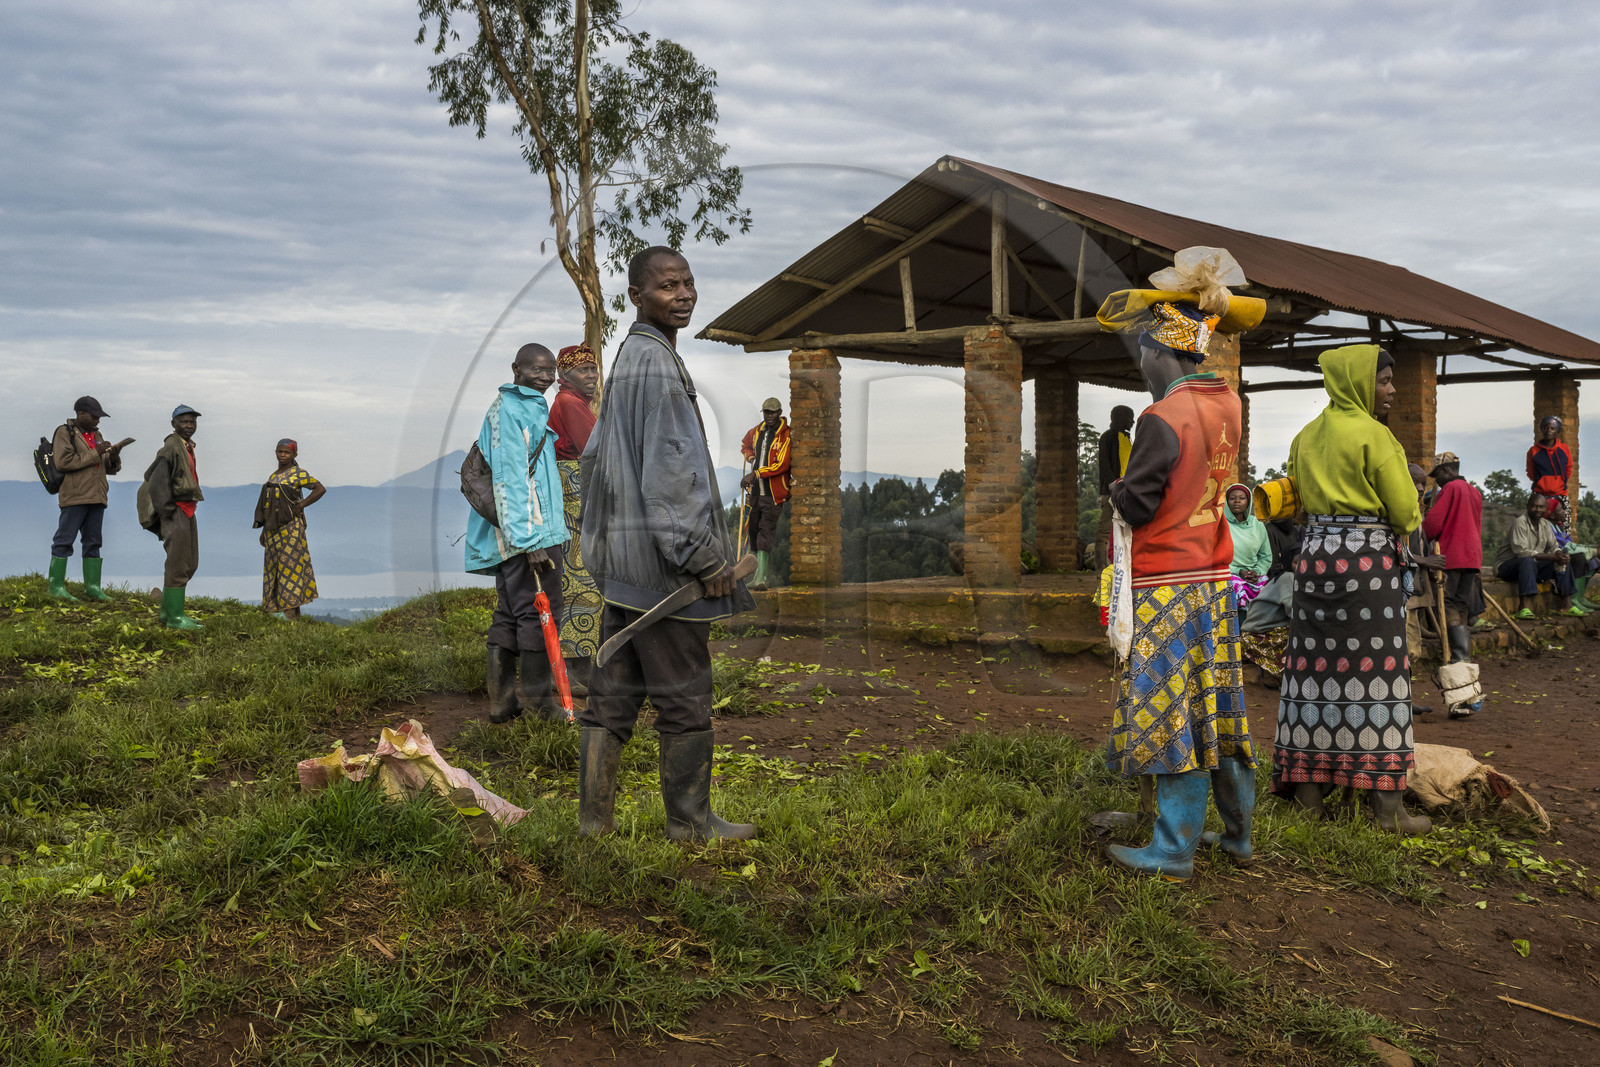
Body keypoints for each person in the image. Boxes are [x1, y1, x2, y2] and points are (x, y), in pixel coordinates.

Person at [578, 246, 755, 842]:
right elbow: (672, 479)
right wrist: (706, 560)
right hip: (662, 577)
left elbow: (596, 458)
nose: (682, 294)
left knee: (612, 694)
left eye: (688, 283)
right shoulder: (656, 365)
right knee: (685, 694)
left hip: (626, 569)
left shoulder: (630, 357)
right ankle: (691, 822)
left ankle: (592, 825)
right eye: (666, 286)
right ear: (636, 296)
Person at [1104, 318, 1253, 880]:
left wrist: (1116, 489)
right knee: (1218, 704)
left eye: (1141, 355)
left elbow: (1138, 504)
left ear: (1158, 352)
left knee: (1169, 711)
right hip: (1215, 580)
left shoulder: (1162, 417)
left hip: (1167, 584)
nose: (1140, 368)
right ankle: (1237, 835)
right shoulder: (1227, 404)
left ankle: (1173, 849)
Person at [1273, 345, 1430, 834]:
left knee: (1311, 674)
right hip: (1367, 567)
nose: (1391, 389)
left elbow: (1294, 502)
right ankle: (1388, 812)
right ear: (1360, 382)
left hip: (1315, 560)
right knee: (1376, 673)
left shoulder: (1306, 436)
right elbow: (1405, 514)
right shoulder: (1375, 436)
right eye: (1384, 380)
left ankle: (1308, 800)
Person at [465, 344, 570, 724]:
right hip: (528, 536)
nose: (545, 376)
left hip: (519, 532)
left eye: (550, 370)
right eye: (537, 369)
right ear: (516, 369)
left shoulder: (525, 408)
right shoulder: (510, 410)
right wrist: (530, 543)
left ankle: (503, 703)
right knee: (539, 612)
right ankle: (541, 707)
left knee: (511, 612)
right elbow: (511, 480)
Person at [549, 343, 603, 694]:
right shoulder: (570, 404)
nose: (592, 375)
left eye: (594, 369)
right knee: (583, 585)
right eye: (583, 370)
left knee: (576, 582)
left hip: (572, 496)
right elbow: (595, 451)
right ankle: (575, 672)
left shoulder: (572, 404)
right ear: (564, 376)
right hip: (575, 497)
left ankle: (575, 669)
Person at [47, 396, 131, 602]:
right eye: (94, 416)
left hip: (97, 496)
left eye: (99, 417)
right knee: (64, 540)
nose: (98, 421)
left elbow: (107, 468)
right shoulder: (64, 433)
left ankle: (93, 588)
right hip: (75, 496)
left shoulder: (97, 435)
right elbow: (63, 462)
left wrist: (113, 455)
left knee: (93, 542)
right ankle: (55, 586)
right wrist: (96, 453)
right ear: (80, 414)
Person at [1421, 452, 1485, 713]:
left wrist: (1422, 529)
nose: (1437, 482)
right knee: (1461, 609)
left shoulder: (1451, 489)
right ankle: (1464, 660)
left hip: (1452, 558)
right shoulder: (1474, 491)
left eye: (1438, 476)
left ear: (1447, 470)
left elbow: (1433, 525)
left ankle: (1458, 659)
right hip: (1472, 558)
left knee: (1448, 610)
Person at [141, 405, 205, 630]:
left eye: (192, 422)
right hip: (177, 510)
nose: (189, 425)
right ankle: (175, 618)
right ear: (173, 424)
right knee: (178, 563)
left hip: (188, 510)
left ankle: (168, 612)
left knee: (189, 562)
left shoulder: (186, 447)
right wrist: (168, 511)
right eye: (184, 421)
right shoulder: (170, 448)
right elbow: (156, 481)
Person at [253, 439, 326, 620]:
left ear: (294, 455)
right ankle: (294, 616)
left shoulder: (298, 474)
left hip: (291, 529)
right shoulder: (273, 476)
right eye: (280, 452)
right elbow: (269, 505)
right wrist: (264, 531)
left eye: (287, 452)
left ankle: (290, 617)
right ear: (276, 452)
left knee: (289, 569)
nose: (283, 455)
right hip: (272, 531)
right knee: (275, 569)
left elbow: (319, 489)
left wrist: (301, 505)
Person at [1494, 492, 1584, 618]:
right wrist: (1553, 557)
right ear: (1528, 506)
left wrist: (1559, 554)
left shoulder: (1545, 524)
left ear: (1545, 509)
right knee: (1527, 559)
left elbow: (1553, 547)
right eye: (1534, 506)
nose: (1538, 510)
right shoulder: (1520, 522)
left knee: (1562, 560)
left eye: (1541, 507)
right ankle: (1523, 607)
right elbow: (1522, 552)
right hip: (1506, 566)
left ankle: (1566, 604)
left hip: (1531, 567)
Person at [739, 398, 791, 591]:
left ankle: (762, 578)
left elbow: (782, 465)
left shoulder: (785, 435)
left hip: (773, 494)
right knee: (753, 531)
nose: (769, 416)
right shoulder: (757, 431)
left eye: (773, 412)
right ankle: (754, 577)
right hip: (756, 493)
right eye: (766, 413)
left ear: (779, 413)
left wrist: (755, 473)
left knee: (765, 533)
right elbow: (745, 444)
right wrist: (751, 458)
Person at [1095, 405, 1135, 569]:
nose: (1132, 421)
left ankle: (1123, 566)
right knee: (1105, 531)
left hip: (1127, 493)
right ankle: (1101, 569)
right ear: (1120, 418)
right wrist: (1114, 485)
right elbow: (1104, 464)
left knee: (1127, 530)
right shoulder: (1107, 437)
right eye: (1129, 417)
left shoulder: (1127, 438)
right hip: (1111, 493)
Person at [1225, 482, 1272, 611]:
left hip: (1253, 574)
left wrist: (1256, 572)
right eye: (1232, 498)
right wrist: (1238, 572)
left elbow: (1266, 556)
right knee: (1237, 589)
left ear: (1248, 501)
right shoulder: (1220, 524)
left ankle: (1258, 628)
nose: (1237, 501)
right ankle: (1238, 628)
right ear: (1227, 501)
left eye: (1242, 498)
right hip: (1228, 573)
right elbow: (1213, 556)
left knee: (1268, 590)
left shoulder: (1257, 524)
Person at [1548, 497, 1600, 609]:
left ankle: (1581, 597)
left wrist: (1592, 548)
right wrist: (1592, 550)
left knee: (1594, 561)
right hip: (1552, 559)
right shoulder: (1547, 527)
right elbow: (1566, 547)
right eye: (1561, 509)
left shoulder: (1558, 526)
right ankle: (1573, 598)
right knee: (1579, 558)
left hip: (1562, 555)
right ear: (1552, 515)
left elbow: (1571, 543)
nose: (1564, 511)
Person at [1526, 415, 1572, 522]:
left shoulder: (1564, 449)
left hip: (1561, 494)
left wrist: (1559, 483)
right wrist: (1542, 483)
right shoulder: (1533, 451)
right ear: (1541, 429)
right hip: (1540, 495)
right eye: (1545, 427)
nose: (1548, 431)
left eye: (1552, 428)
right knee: (1537, 527)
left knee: (1564, 528)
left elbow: (1568, 469)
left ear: (1557, 431)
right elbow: (1530, 472)